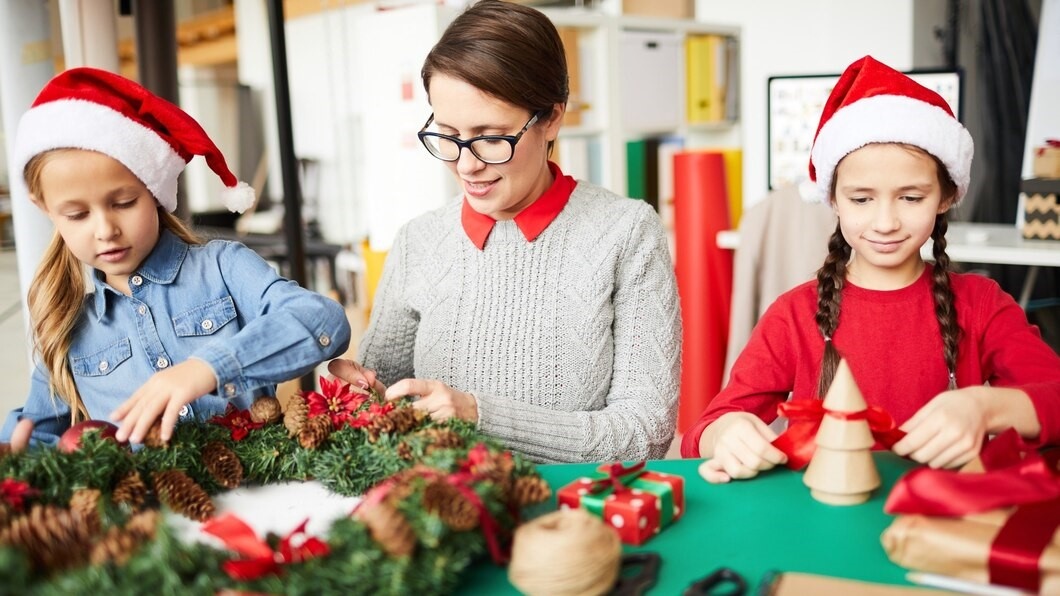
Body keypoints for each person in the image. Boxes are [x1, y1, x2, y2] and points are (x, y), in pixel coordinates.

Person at [329, 0, 681, 464]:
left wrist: (480, 416)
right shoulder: (420, 240)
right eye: (448, 135)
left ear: (553, 117)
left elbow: (644, 433)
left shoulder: (627, 234)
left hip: (570, 524)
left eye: (491, 137)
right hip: (439, 516)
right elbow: (386, 400)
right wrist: (358, 391)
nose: (467, 164)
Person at [682, 55, 1060, 481]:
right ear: (834, 199)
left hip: (942, 523)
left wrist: (983, 407)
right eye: (861, 199)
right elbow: (703, 432)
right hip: (823, 527)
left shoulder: (982, 305)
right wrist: (727, 433)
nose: (885, 222)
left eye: (911, 198)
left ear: (946, 196)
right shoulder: (793, 315)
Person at [0, 67, 351, 449]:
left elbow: (323, 320)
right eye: (77, 215)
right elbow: (33, 440)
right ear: (46, 210)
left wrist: (209, 367)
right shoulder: (67, 327)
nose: (105, 230)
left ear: (154, 190)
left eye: (123, 203)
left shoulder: (224, 268)